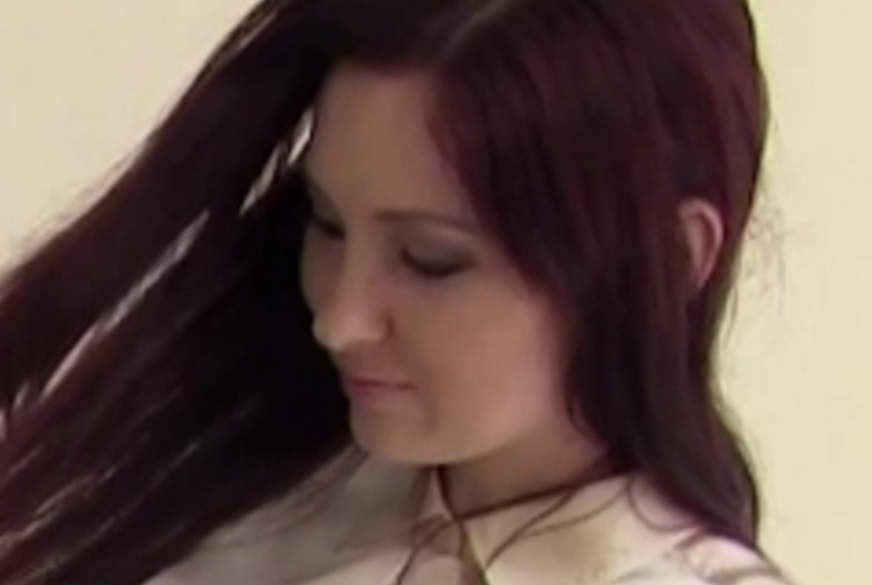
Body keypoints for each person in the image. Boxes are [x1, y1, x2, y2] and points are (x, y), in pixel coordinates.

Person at [0, 0, 793, 584]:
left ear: (670, 257)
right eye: (327, 223)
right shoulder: (224, 481)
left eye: (430, 260)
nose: (340, 318)